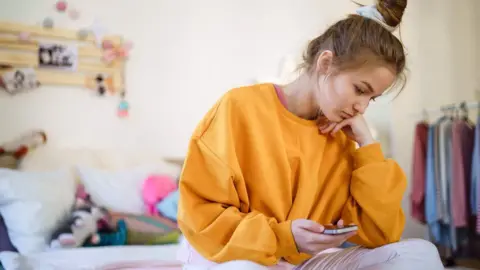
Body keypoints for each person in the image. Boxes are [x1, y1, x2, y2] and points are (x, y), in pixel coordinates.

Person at [177, 0, 444, 269]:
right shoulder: (239, 108)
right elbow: (202, 217)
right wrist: (283, 236)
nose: (361, 108)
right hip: (228, 255)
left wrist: (368, 146)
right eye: (360, 89)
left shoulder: (343, 137)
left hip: (296, 262)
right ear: (325, 63)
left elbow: (382, 235)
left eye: (372, 99)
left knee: (420, 253)